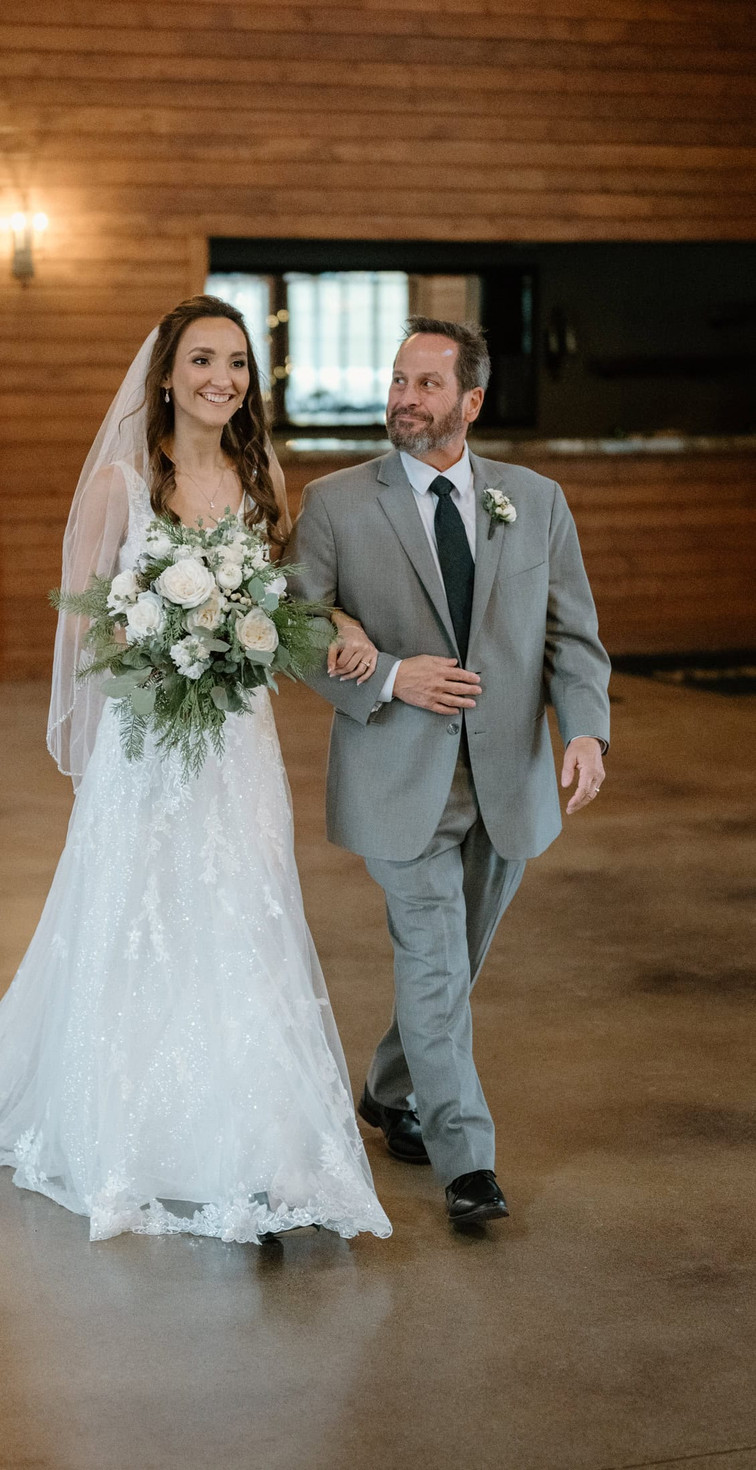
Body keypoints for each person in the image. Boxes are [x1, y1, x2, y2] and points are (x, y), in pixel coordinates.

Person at [0, 296, 391, 1246]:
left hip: (237, 740)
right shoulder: (121, 486)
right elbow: (86, 627)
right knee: (144, 913)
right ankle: (139, 1125)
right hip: (151, 742)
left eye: (239, 365)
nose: (223, 380)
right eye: (204, 361)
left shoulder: (259, 479)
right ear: (166, 375)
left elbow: (286, 597)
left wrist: (339, 624)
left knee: (245, 909)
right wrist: (165, 640)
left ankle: (255, 1126)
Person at [288, 316, 611, 1228]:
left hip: (509, 780)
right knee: (433, 963)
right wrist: (391, 673)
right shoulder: (338, 502)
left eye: (426, 384)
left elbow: (571, 634)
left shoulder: (534, 499)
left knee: (453, 964)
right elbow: (297, 632)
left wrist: (585, 732)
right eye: (397, 380)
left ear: (470, 401)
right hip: (398, 778)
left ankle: (390, 1089)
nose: (403, 398)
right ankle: (467, 1158)